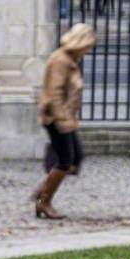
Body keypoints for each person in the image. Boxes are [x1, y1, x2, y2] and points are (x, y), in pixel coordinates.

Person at [33, 23, 96, 220]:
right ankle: (44, 202)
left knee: (76, 157)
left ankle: (43, 190)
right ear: (80, 43)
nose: (89, 50)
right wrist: (63, 120)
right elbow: (55, 93)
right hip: (57, 118)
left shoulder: (69, 59)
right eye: (88, 46)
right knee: (66, 160)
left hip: (65, 117)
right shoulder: (61, 60)